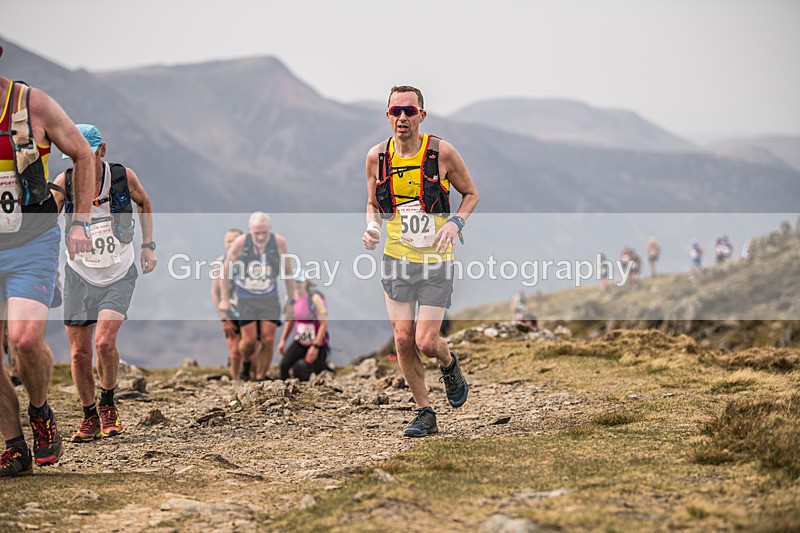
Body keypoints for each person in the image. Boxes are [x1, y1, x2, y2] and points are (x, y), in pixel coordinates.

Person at [362, 85, 479, 437]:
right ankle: (424, 412)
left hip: (436, 260)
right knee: (402, 339)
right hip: (397, 256)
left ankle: (448, 362)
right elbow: (372, 203)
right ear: (387, 116)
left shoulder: (441, 153)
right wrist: (371, 228)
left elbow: (471, 194)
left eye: (409, 111)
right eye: (395, 111)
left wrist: (455, 223)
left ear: (421, 116)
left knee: (426, 342)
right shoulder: (376, 157)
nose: (402, 117)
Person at [0, 47, 95, 478]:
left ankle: (40, 413)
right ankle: (14, 446)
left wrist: (80, 222)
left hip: (31, 242)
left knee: (22, 341)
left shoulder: (29, 103)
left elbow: (82, 154)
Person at [49, 123, 157, 443]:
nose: (78, 158)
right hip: (78, 274)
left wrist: (148, 246)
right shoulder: (64, 182)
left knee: (103, 343)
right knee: (80, 353)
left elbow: (145, 203)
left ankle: (108, 405)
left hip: (118, 273)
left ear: (101, 150)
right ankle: (88, 417)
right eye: (72, 153)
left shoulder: (123, 177)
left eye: (86, 152)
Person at [219, 212, 294, 381]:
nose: (260, 237)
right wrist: (224, 299)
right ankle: (246, 361)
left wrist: (290, 300)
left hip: (269, 297)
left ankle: (260, 377)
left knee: (268, 339)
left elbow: (288, 272)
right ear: (250, 231)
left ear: (270, 230)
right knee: (249, 341)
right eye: (256, 233)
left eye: (264, 233)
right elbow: (225, 270)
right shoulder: (241, 243)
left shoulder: (279, 243)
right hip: (246, 298)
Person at [210, 228, 253, 380]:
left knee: (251, 346)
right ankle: (235, 383)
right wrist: (223, 318)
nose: (232, 244)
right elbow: (215, 292)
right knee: (235, 351)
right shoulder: (220, 262)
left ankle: (250, 375)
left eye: (235, 240)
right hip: (231, 312)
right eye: (229, 241)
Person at [277, 271, 330, 381]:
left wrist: (315, 346)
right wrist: (283, 340)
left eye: (299, 281)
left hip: (317, 344)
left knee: (307, 370)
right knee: (284, 365)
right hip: (301, 341)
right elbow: (290, 321)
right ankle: (286, 392)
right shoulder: (290, 298)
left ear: (305, 282)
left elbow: (324, 324)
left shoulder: (315, 298)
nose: (297, 285)